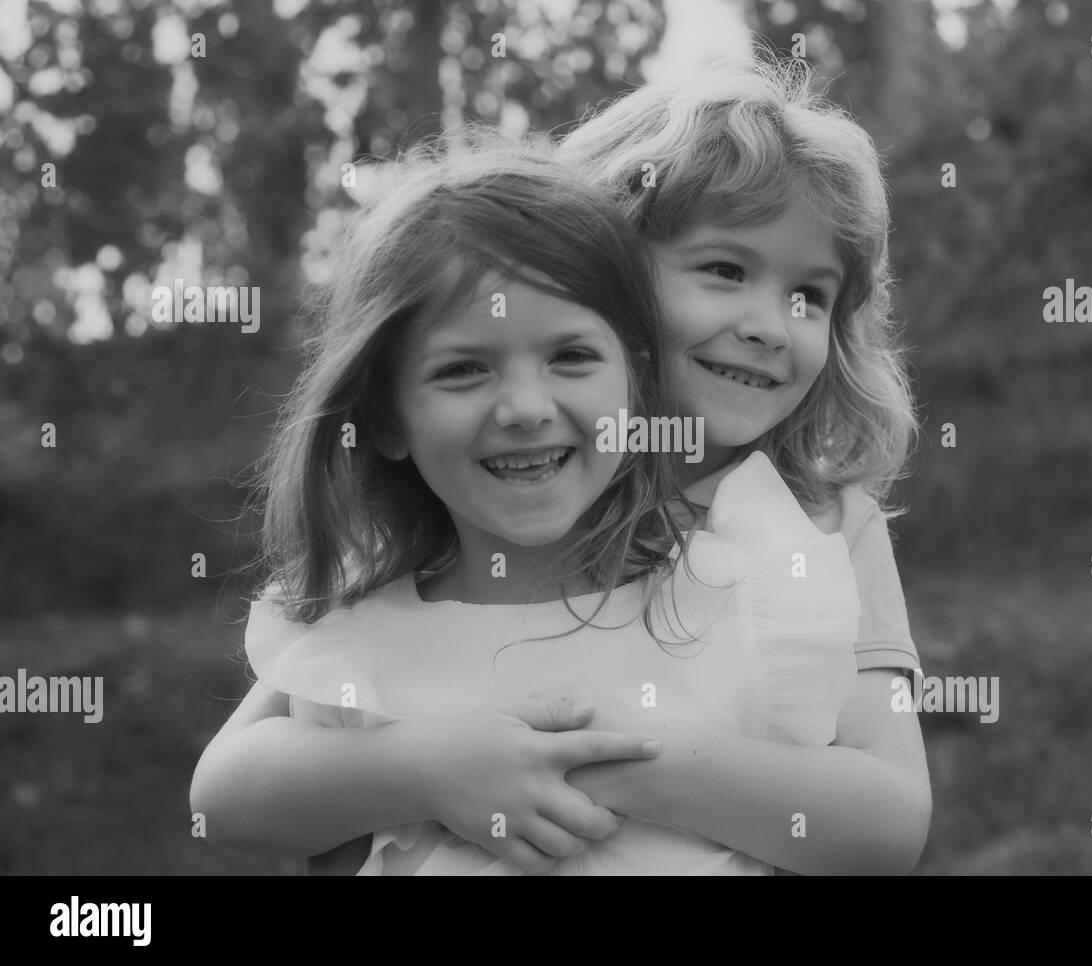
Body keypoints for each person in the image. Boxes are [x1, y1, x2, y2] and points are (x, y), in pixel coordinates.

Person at [191, 137, 871, 874]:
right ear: (385, 419)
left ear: (636, 384)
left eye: (570, 357)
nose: (523, 407)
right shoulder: (362, 632)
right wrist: (427, 767)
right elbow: (224, 803)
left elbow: (873, 832)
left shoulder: (743, 582)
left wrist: (618, 762)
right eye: (463, 369)